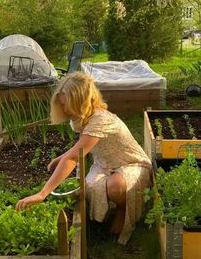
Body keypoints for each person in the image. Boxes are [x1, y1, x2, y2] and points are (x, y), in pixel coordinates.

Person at [16, 72, 152, 245]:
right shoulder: (80, 118)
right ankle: (107, 212)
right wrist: (62, 157)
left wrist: (43, 193)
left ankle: (122, 209)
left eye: (67, 105)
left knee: (115, 187)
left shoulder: (100, 119)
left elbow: (75, 158)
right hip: (104, 163)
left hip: (131, 163)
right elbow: (80, 147)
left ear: (80, 101)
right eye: (63, 105)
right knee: (89, 187)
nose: (64, 109)